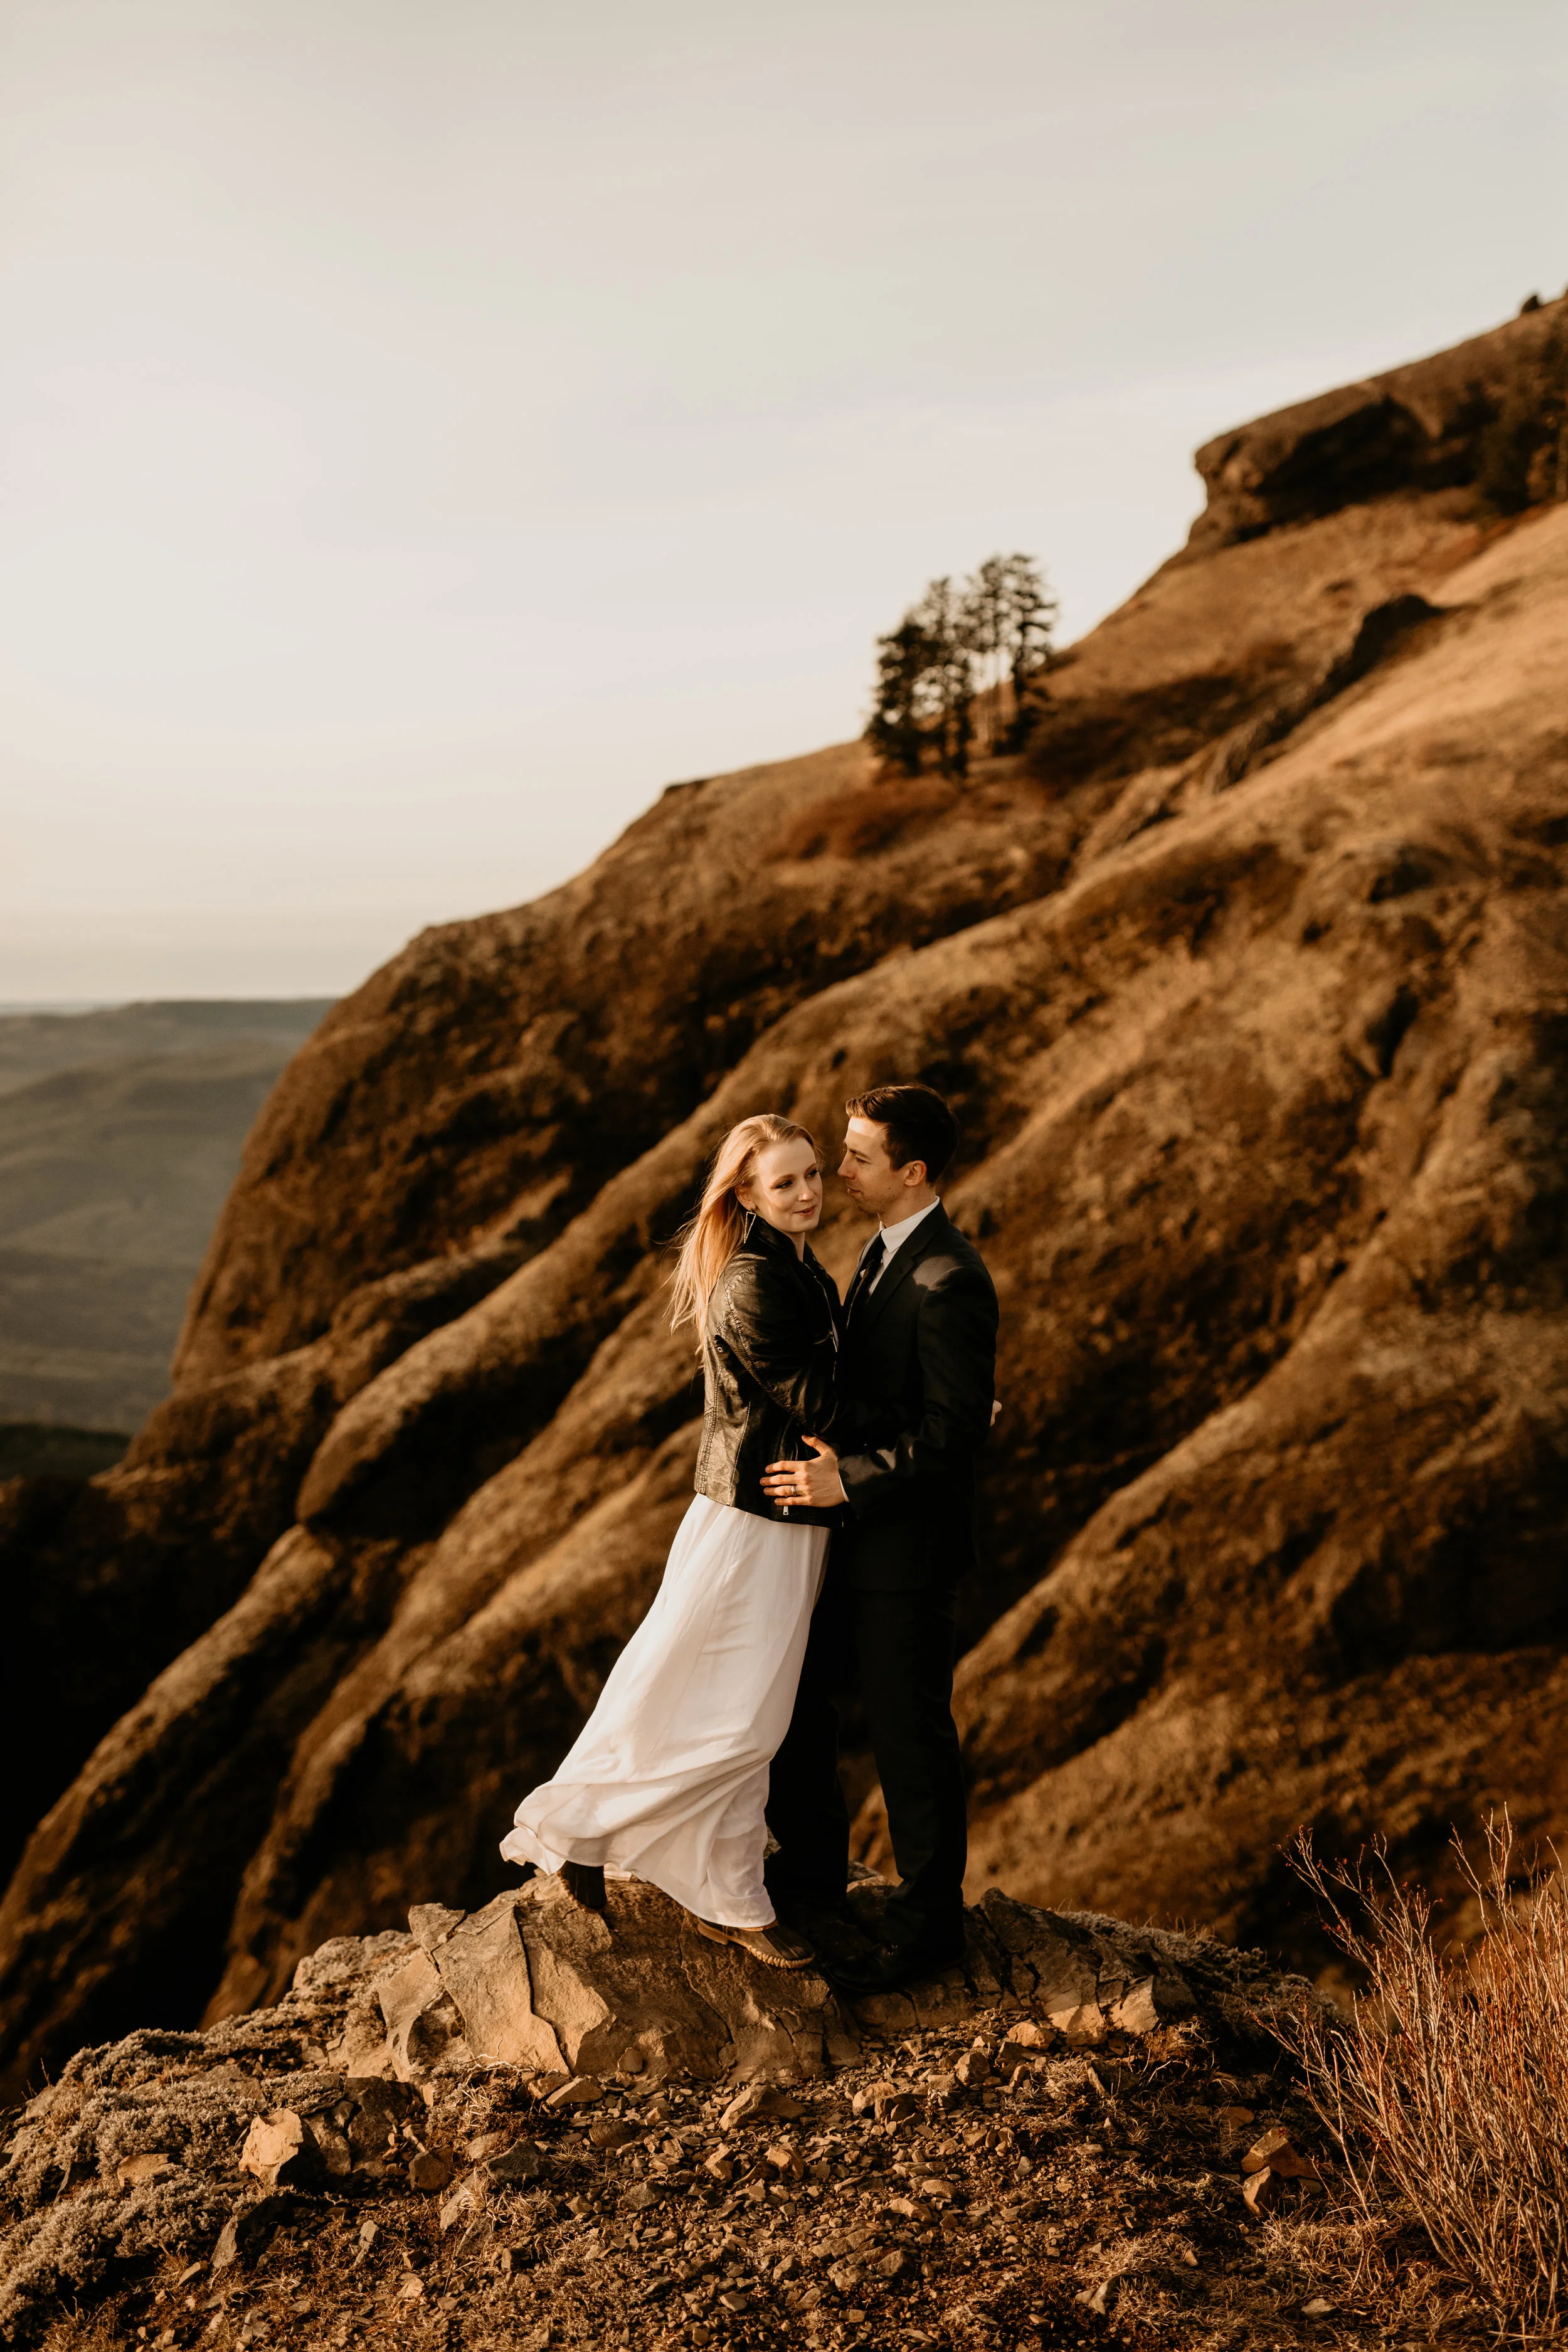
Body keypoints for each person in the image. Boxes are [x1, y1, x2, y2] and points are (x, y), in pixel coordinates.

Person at [500, 1111, 891, 1971]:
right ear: (746, 1193)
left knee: (712, 1698)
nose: (807, 1192)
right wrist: (932, 1423)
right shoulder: (756, 1280)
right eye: (784, 1181)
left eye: (813, 1174)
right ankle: (700, 1886)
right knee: (740, 1717)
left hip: (785, 1515)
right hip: (754, 1521)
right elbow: (812, 1401)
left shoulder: (797, 1265)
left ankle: (610, 1843)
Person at [759, 1083, 999, 1992]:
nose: (840, 1169)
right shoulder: (881, 1251)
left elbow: (951, 1436)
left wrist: (844, 1478)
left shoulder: (951, 1278)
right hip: (852, 1540)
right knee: (804, 1710)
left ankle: (928, 1925)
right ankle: (813, 1876)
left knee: (909, 1738)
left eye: (858, 1157)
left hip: (905, 1553)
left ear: (914, 1172)